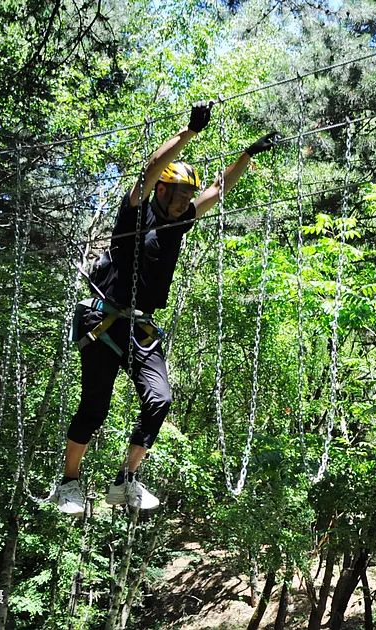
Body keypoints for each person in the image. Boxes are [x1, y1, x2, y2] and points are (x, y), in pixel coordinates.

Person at [48, 101, 280, 513]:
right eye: (177, 193)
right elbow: (152, 165)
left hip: (140, 326)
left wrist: (246, 155)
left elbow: (218, 191)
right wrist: (188, 134)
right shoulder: (134, 213)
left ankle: (126, 479)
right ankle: (70, 482)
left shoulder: (181, 220)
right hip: (103, 318)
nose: (183, 201)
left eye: (186, 195)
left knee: (160, 399)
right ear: (161, 191)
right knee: (95, 404)